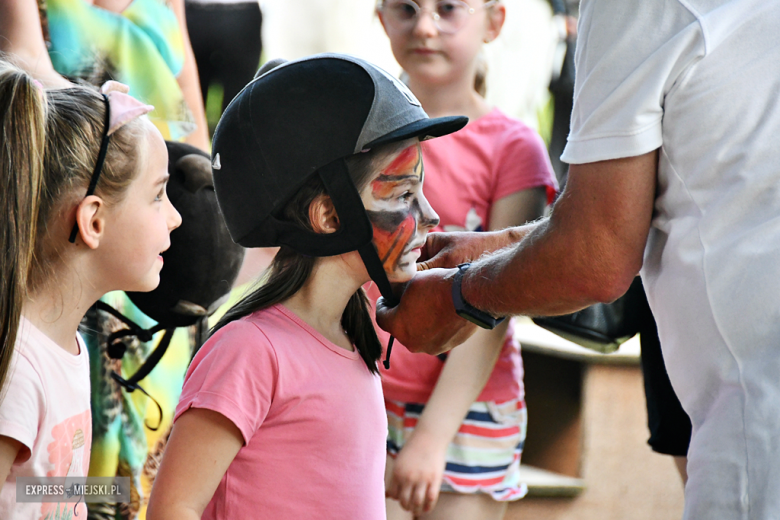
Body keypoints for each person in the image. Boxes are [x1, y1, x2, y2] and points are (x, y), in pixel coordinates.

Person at [376, 0, 780, 517]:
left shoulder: (630, 15)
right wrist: (497, 249)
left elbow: (597, 254)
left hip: (754, 392)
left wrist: (463, 293)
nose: (426, 25)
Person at [145, 53, 467, 520]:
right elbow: (173, 509)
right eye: (402, 195)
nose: (431, 216)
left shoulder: (358, 342)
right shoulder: (251, 351)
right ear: (329, 217)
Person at [374, 1, 557, 517]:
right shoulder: (358, 140)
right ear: (380, 16)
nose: (425, 26)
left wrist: (432, 437)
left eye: (448, 8)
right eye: (406, 8)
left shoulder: (514, 148)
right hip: (363, 395)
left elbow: (498, 300)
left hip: (469, 410)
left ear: (494, 22)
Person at [0, 63, 181, 519]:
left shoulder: (69, 348)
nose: (175, 217)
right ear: (93, 221)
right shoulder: (17, 372)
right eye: (158, 195)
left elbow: (30, 488)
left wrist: (110, 493)